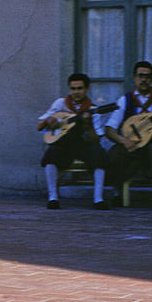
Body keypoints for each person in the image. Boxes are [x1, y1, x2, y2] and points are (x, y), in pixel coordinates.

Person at [104, 61, 152, 211]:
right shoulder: (125, 100)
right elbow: (109, 129)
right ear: (134, 78)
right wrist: (123, 140)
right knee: (114, 153)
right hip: (133, 145)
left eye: (147, 76)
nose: (143, 79)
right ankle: (117, 192)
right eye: (140, 76)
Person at [37, 73, 109, 210]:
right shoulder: (60, 104)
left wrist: (88, 124)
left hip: (84, 144)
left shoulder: (94, 110)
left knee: (99, 154)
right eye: (73, 89)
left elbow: (97, 139)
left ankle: (98, 199)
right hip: (64, 144)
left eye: (80, 88)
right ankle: (53, 198)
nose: (76, 92)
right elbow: (39, 126)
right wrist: (49, 121)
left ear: (87, 89)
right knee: (51, 154)